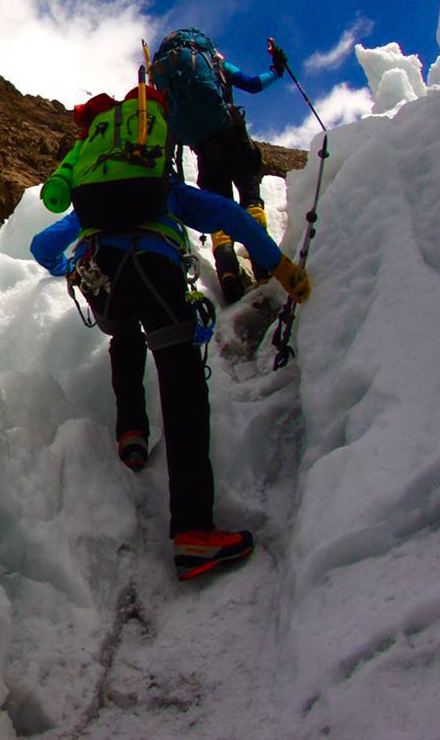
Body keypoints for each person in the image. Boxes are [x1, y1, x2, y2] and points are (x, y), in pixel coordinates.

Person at [31, 172, 311, 582]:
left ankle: (132, 434)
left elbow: (42, 247)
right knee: (181, 380)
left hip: (103, 276)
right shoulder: (163, 190)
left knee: (124, 334)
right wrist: (279, 265)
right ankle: (194, 531)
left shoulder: (95, 202)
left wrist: (67, 265)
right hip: (155, 270)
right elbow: (230, 215)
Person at [148, 29, 290, 304]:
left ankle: (228, 274)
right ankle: (263, 267)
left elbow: (169, 129)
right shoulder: (214, 62)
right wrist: (278, 70)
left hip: (205, 152)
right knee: (251, 200)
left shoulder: (167, 85)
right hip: (234, 139)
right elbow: (253, 84)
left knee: (218, 210)